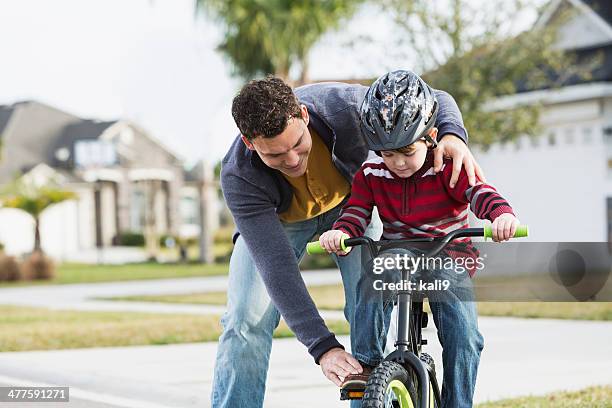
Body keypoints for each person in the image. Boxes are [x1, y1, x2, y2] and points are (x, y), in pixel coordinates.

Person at [212, 74, 484, 408]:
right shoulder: (239, 175)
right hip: (281, 222)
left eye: (298, 144)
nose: (293, 161)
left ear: (304, 115)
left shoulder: (347, 107)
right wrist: (322, 346)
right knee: (244, 319)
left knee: (367, 300)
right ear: (251, 143)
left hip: (351, 208)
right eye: (277, 156)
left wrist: (454, 135)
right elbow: (276, 267)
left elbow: (436, 96)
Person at [318, 70, 519, 408]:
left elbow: (480, 192)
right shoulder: (371, 174)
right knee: (370, 281)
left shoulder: (447, 167)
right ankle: (366, 368)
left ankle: (457, 402)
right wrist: (342, 232)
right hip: (399, 255)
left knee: (464, 335)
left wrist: (501, 216)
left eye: (407, 151)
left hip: (448, 255)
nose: (397, 163)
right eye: (387, 153)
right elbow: (356, 212)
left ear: (431, 137)